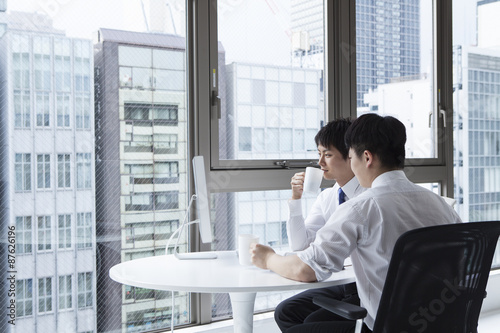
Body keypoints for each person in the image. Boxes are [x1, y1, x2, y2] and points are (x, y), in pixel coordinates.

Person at [251, 113, 462, 333]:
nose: (352, 165)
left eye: (351, 157)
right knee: (297, 313)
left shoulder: (361, 208)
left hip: (386, 325)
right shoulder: (443, 206)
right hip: (441, 323)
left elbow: (306, 269)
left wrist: (268, 258)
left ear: (367, 158)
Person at [275, 119, 365, 332]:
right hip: (343, 283)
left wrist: (269, 258)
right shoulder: (328, 196)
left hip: (364, 284)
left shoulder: (366, 198)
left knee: (310, 321)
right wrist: (295, 199)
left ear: (350, 155)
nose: (320, 162)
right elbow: (301, 245)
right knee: (285, 311)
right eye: (319, 154)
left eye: (328, 154)